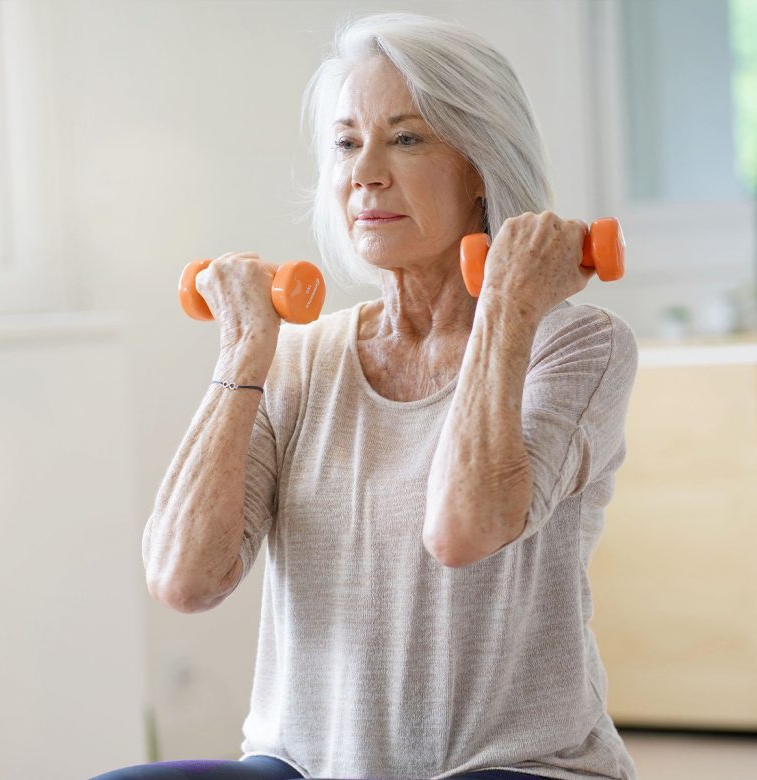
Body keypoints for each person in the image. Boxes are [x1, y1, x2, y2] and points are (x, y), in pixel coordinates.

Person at [94, 10, 639, 780]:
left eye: (406, 138)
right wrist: (245, 350)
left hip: (514, 765)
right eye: (347, 143)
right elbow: (183, 579)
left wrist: (509, 310)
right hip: (305, 764)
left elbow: (463, 530)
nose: (365, 172)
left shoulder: (575, 346)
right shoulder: (299, 357)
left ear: (479, 164)